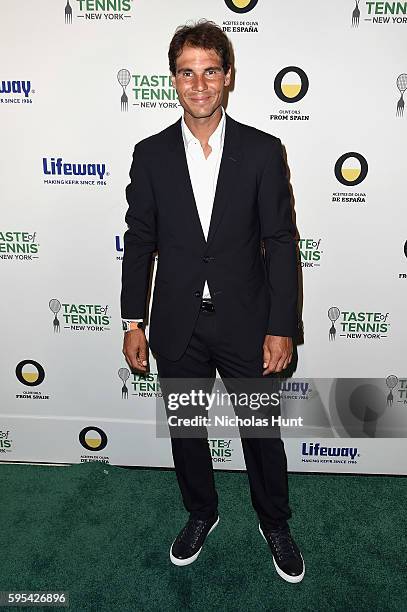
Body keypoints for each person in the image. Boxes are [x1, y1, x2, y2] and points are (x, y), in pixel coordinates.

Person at [121, 20, 304, 583]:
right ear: (174, 80)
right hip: (178, 324)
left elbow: (280, 242)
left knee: (261, 433)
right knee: (186, 431)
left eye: (210, 72)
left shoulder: (262, 150)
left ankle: (274, 521)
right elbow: (140, 242)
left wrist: (282, 326)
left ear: (228, 78)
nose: (198, 84)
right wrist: (133, 320)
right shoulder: (149, 155)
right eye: (186, 72)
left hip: (248, 323)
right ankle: (202, 512)